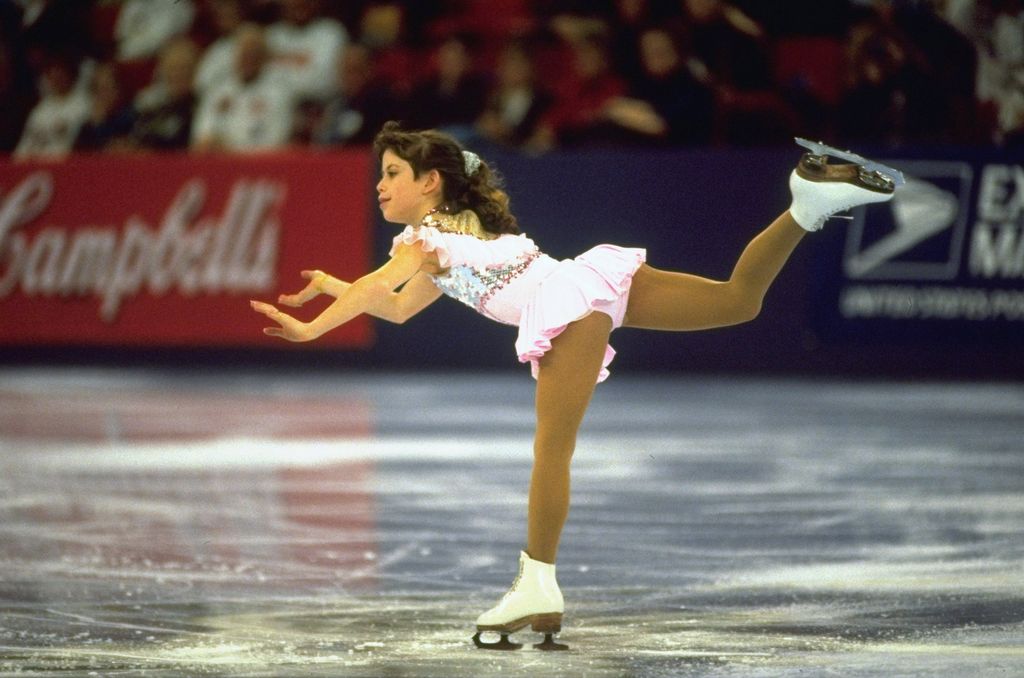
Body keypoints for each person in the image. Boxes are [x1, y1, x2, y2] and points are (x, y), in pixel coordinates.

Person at [250, 122, 903, 650]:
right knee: (739, 301)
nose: (381, 185)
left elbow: (379, 285)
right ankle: (806, 204)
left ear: (429, 181)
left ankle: (536, 584)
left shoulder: (423, 239)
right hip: (590, 285)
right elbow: (392, 306)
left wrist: (312, 328)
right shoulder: (451, 236)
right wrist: (333, 288)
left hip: (567, 307)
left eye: (392, 173)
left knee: (551, 451)